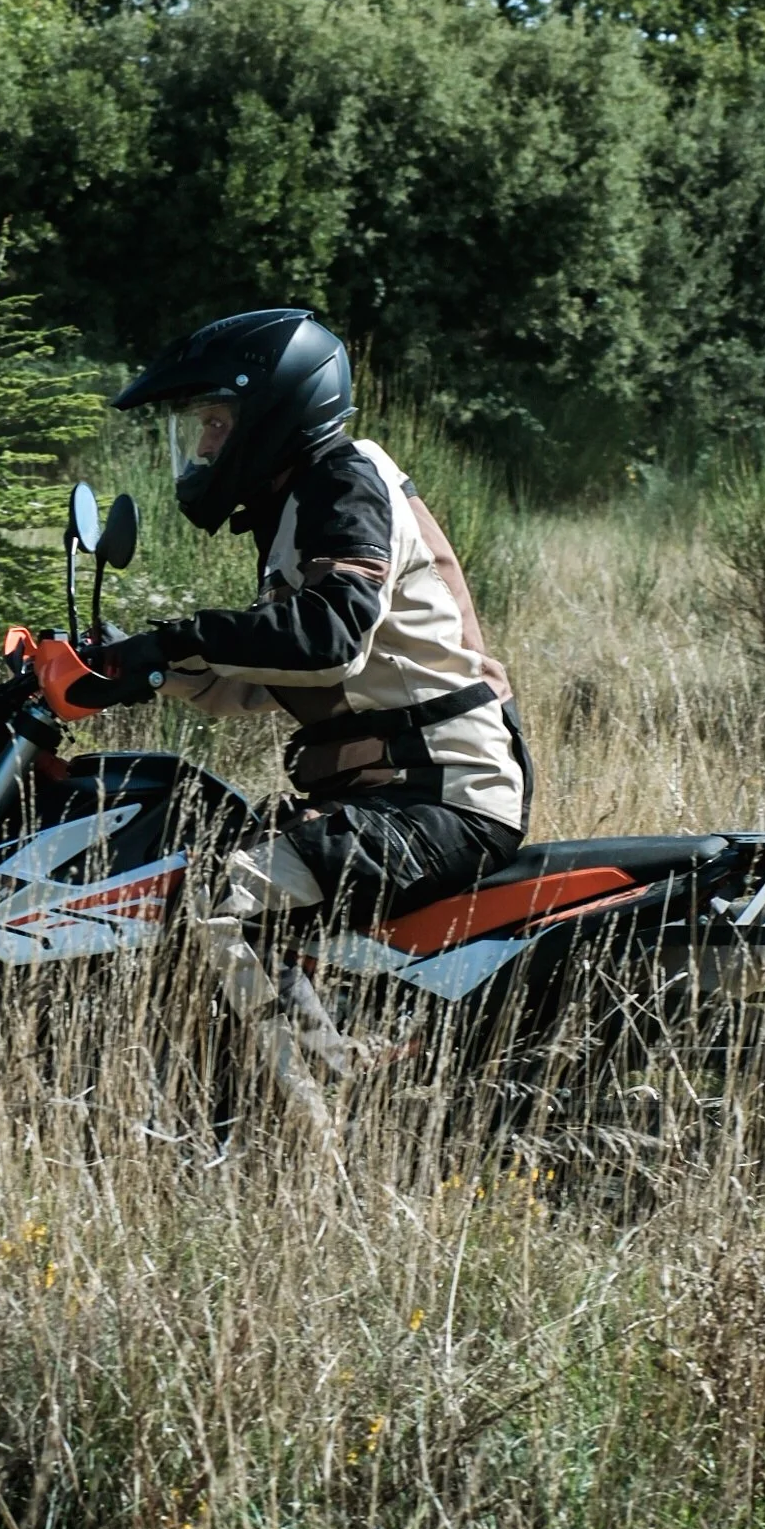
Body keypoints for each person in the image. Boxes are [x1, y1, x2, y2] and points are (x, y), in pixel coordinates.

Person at [85, 306, 530, 1123]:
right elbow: (274, 681)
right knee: (193, 863)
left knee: (218, 895)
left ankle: (310, 1133)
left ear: (276, 409)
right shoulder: (303, 503)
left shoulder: (343, 481)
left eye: (217, 423)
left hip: (439, 797)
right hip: (396, 789)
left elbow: (329, 639)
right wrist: (135, 668)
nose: (206, 446)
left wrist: (175, 638)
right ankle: (299, 1082)